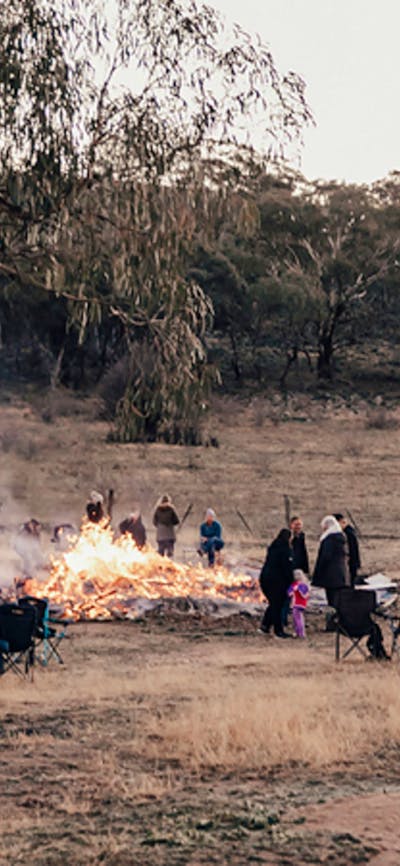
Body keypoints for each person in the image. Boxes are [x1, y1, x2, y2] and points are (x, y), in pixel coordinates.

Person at [259, 528, 294, 638]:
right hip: (276, 581)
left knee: (274, 604)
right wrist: (292, 581)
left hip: (265, 578)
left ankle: (265, 626)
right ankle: (278, 631)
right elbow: (287, 568)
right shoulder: (285, 550)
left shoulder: (273, 547)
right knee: (277, 605)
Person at [312, 515, 347, 607]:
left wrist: (319, 571)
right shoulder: (340, 538)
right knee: (338, 597)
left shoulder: (329, 539)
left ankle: (333, 613)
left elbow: (325, 556)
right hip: (340, 573)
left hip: (330, 574)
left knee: (332, 597)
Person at [333, 513, 361, 587]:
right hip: (352, 563)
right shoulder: (349, 531)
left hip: (350, 563)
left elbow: (351, 550)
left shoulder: (347, 533)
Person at [288, 569, 310, 638]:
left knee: (299, 619)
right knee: (295, 619)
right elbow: (289, 593)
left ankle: (301, 633)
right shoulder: (295, 585)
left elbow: (305, 595)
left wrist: (298, 590)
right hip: (295, 604)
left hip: (299, 604)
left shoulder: (302, 585)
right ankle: (297, 632)